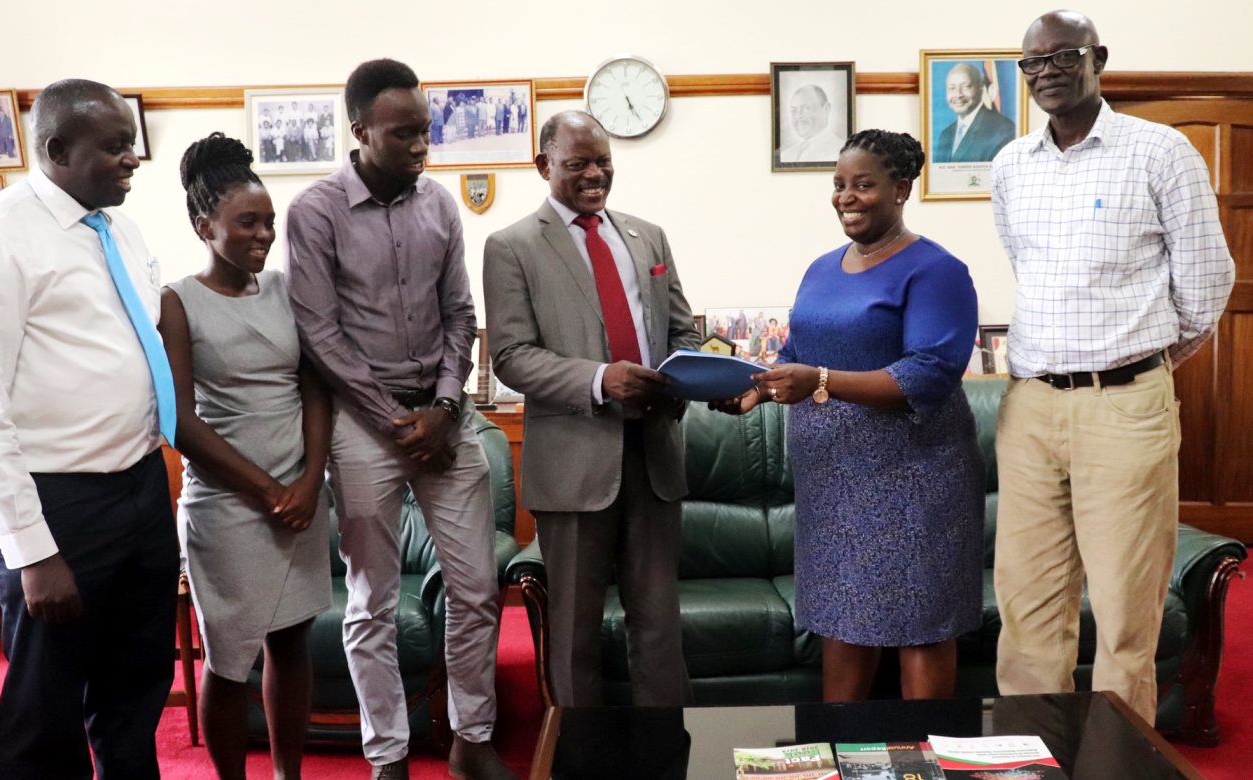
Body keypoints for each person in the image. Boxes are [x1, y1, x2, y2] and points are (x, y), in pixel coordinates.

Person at [991, 11, 1235, 724]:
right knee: (1028, 607)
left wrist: (1139, 364)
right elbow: (1028, 269)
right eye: (1032, 63)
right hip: (1029, 403)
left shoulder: (1161, 153)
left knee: (1127, 613)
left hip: (1125, 404)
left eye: (1062, 56)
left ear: (1099, 57)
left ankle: (1115, 763)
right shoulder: (1012, 166)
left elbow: (1206, 287)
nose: (1046, 73)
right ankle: (1031, 757)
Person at [285, 58, 513, 780]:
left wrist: (445, 409)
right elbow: (320, 335)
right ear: (360, 131)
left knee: (476, 588)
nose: (422, 146)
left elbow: (461, 315)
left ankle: (471, 740)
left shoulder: (440, 205)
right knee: (370, 599)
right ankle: (386, 754)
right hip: (362, 423)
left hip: (444, 416)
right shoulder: (314, 211)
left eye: (425, 131)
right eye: (404, 133)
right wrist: (394, 420)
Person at [0, 78, 179, 778]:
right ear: (54, 150)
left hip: (139, 488)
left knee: (136, 687)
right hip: (56, 502)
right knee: (45, 710)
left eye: (131, 146)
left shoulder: (119, 226)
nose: (131, 160)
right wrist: (31, 551)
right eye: (114, 148)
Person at [711, 130, 983, 704]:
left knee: (922, 619)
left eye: (864, 184)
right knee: (842, 613)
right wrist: (753, 390)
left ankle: (926, 756)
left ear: (901, 189)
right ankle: (842, 749)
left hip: (914, 478)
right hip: (833, 483)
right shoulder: (821, 269)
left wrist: (824, 382)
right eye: (839, 185)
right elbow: (796, 354)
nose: (846, 197)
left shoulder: (937, 270)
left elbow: (928, 374)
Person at [483, 110, 701, 708]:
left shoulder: (648, 235)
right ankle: (580, 757)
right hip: (574, 464)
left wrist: (691, 371)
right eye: (578, 163)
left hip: (654, 455)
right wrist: (603, 380)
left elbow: (684, 330)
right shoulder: (511, 247)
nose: (595, 174)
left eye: (603, 161)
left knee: (658, 625)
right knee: (575, 632)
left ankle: (669, 758)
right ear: (543, 166)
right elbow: (511, 355)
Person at [158, 132, 332, 780]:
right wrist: (266, 489)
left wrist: (310, 481)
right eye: (247, 223)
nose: (263, 235)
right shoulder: (178, 301)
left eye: (269, 223)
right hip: (228, 506)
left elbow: (317, 385)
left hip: (301, 495)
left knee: (293, 643)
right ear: (204, 224)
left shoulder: (290, 289)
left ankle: (288, 775)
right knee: (229, 658)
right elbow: (178, 420)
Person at [933, 63, 1016, 163]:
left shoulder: (1002, 130)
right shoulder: (945, 135)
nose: (958, 94)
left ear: (981, 89)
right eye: (952, 88)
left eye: (966, 87)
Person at [779, 84, 845, 164]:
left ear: (826, 109)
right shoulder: (786, 156)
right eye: (794, 110)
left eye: (806, 108)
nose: (798, 116)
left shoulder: (843, 151)